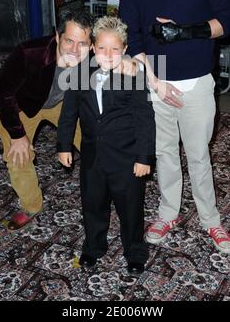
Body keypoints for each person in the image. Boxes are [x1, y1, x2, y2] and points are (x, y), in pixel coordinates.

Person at [119, 0, 230, 254]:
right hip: (156, 79)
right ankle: (168, 211)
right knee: (165, 153)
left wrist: (186, 31)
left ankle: (211, 220)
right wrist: (154, 81)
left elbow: (229, 22)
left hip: (197, 79)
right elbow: (130, 34)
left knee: (199, 154)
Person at [57, 16, 155, 275]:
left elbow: (144, 118)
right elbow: (69, 112)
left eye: (115, 49)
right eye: (102, 47)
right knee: (92, 204)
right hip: (92, 156)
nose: (108, 54)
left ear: (124, 50)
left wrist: (144, 157)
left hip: (126, 157)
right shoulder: (78, 73)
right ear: (92, 47)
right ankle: (93, 247)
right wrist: (64, 145)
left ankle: (135, 250)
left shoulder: (132, 73)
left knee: (130, 207)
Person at [0, 9, 93, 230]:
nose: (75, 50)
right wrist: (17, 135)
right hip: (23, 106)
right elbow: (2, 92)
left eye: (83, 43)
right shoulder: (29, 53)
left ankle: (112, 188)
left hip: (63, 104)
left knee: (97, 140)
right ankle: (31, 205)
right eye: (69, 41)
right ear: (57, 37)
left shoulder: (93, 58)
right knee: (18, 154)